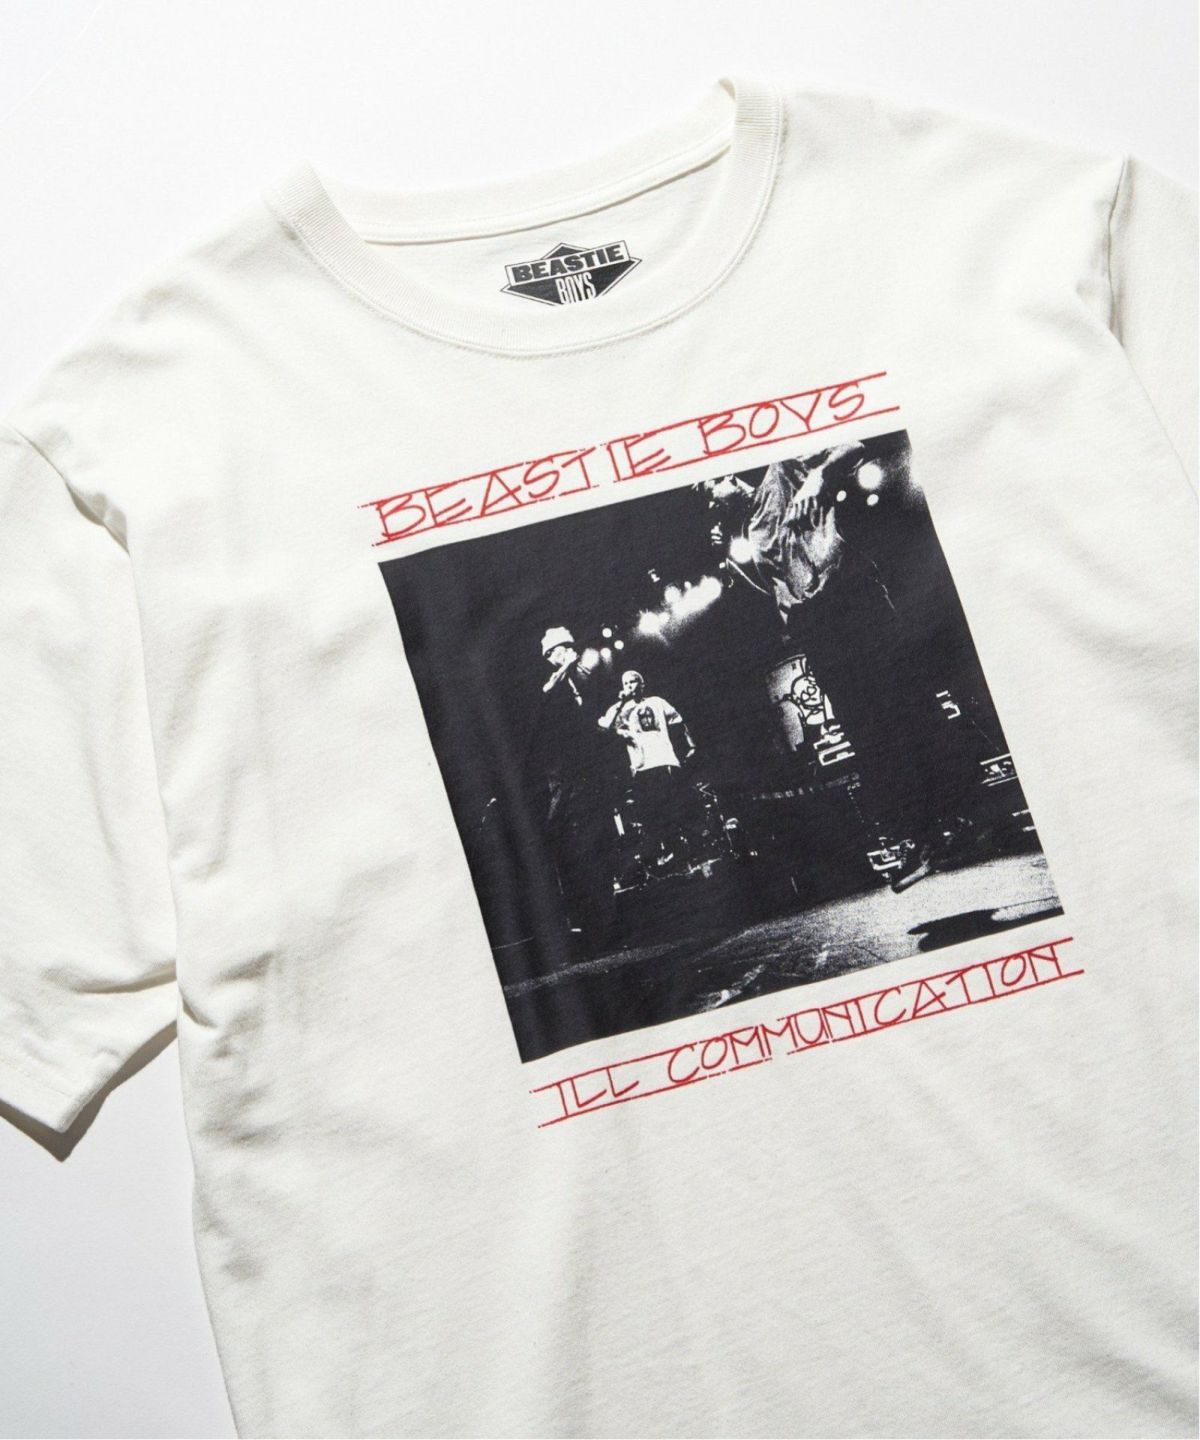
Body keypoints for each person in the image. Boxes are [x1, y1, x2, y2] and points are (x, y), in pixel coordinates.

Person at [700, 449, 970, 891]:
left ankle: (960, 816)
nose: (710, 498)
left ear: (729, 475)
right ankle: (921, 839)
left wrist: (820, 476)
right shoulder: (750, 529)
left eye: (709, 486)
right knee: (867, 732)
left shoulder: (782, 468)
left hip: (849, 596)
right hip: (814, 623)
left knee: (905, 703)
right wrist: (731, 564)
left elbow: (853, 445)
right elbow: (777, 590)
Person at [535, 626, 618, 951]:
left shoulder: (579, 681)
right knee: (580, 851)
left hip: (587, 780)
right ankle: (589, 923)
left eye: (566, 648)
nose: (566, 654)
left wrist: (604, 728)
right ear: (552, 656)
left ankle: (606, 923)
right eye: (559, 651)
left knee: (599, 846)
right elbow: (548, 696)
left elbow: (588, 722)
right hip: (566, 782)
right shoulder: (552, 685)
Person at [599, 670, 696, 868]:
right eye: (625, 683)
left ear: (642, 684)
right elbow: (604, 727)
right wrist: (621, 704)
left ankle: (682, 852)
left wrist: (691, 745)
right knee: (651, 813)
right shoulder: (622, 710)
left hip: (664, 760)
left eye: (633, 682)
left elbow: (678, 720)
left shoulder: (657, 702)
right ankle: (664, 857)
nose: (629, 686)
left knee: (672, 809)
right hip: (642, 767)